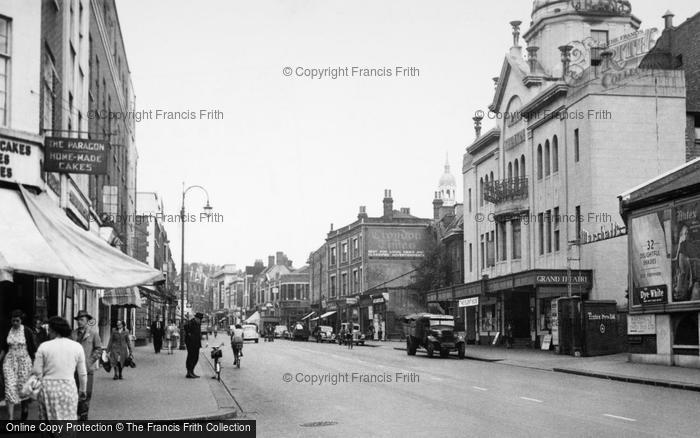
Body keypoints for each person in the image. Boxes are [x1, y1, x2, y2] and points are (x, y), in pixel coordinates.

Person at [32, 316, 87, 421]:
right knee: (68, 421)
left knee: (47, 421)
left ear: (53, 330)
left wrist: (35, 390)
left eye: (49, 329)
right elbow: (82, 373)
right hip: (68, 387)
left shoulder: (44, 346)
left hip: (48, 388)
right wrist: (82, 390)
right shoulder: (77, 347)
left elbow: (37, 372)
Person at [0, 309, 37, 420]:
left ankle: (24, 411)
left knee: (23, 388)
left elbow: (33, 349)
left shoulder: (27, 331)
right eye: (13, 321)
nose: (15, 323)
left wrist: (37, 365)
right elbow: (3, 348)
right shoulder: (8, 331)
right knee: (9, 387)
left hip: (24, 362)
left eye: (17, 321)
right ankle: (10, 418)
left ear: (21, 320)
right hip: (10, 362)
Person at [71, 310, 102, 420]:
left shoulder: (93, 334)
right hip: (73, 370)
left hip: (87, 369)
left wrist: (89, 361)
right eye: (78, 320)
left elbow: (98, 350)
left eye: (82, 320)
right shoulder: (72, 334)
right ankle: (77, 414)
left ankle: (84, 416)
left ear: (87, 321)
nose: (79, 322)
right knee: (74, 392)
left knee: (86, 393)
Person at [184, 312, 203, 378]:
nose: (200, 320)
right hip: (191, 343)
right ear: (196, 318)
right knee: (191, 357)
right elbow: (185, 327)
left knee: (196, 357)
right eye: (199, 319)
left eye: (201, 319)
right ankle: (189, 372)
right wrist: (190, 335)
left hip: (196, 343)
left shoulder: (198, 323)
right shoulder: (190, 322)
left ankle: (192, 371)